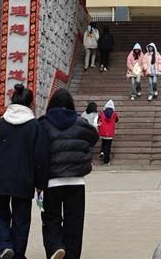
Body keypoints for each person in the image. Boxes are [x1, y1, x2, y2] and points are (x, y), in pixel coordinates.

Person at [0, 84, 48, 259]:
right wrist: (40, 184)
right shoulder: (35, 126)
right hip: (24, 180)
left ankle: (4, 245)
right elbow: (40, 158)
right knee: (21, 219)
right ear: (31, 104)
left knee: (0, 214)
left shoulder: (1, 124)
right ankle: (18, 254)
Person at [39, 89, 98, 259]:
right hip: (77, 181)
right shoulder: (80, 122)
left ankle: (55, 247)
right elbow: (94, 137)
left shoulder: (43, 123)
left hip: (51, 180)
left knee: (51, 218)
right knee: (74, 222)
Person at [98, 100, 119, 166]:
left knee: (103, 142)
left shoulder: (102, 113)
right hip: (110, 133)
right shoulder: (114, 114)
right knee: (108, 147)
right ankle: (106, 162)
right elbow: (116, 120)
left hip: (103, 131)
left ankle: (102, 151)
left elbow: (99, 119)